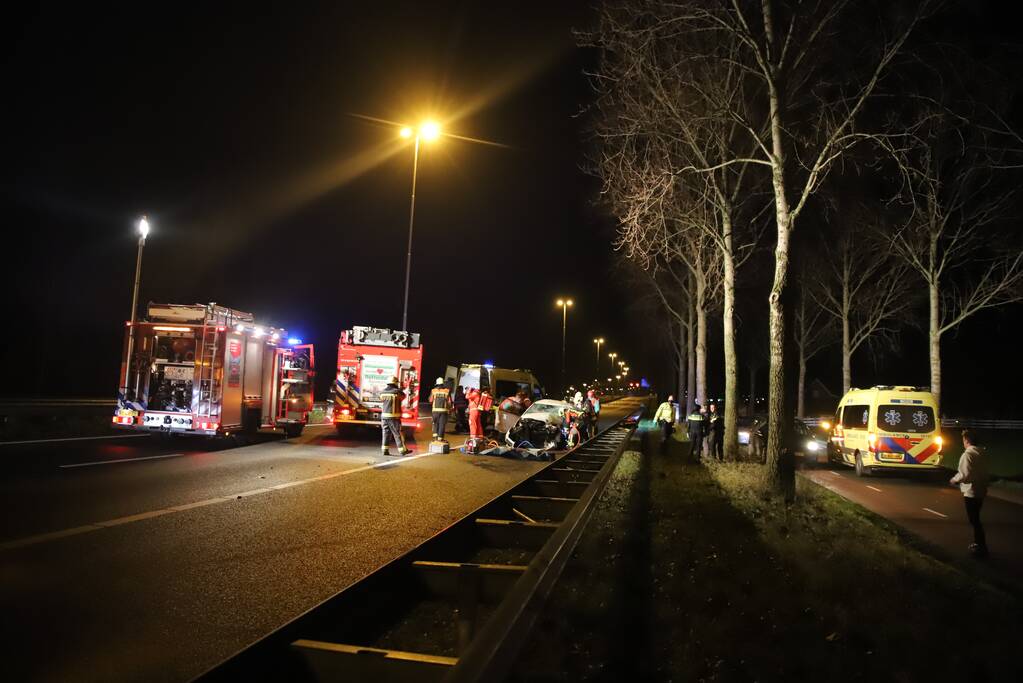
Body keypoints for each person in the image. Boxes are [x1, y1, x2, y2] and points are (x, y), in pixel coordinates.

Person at [950, 429, 989, 558]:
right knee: (976, 518)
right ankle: (979, 544)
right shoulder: (982, 453)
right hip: (981, 490)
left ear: (966, 440)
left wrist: (954, 480)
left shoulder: (967, 455)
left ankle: (980, 546)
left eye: (963, 440)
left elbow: (965, 474)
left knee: (974, 520)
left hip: (971, 491)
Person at [379, 376, 409, 456]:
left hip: (384, 416)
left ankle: (385, 450)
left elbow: (381, 399)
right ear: (395, 383)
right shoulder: (397, 392)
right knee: (397, 433)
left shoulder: (382, 392)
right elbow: (403, 397)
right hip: (394, 417)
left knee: (385, 433)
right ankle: (402, 450)